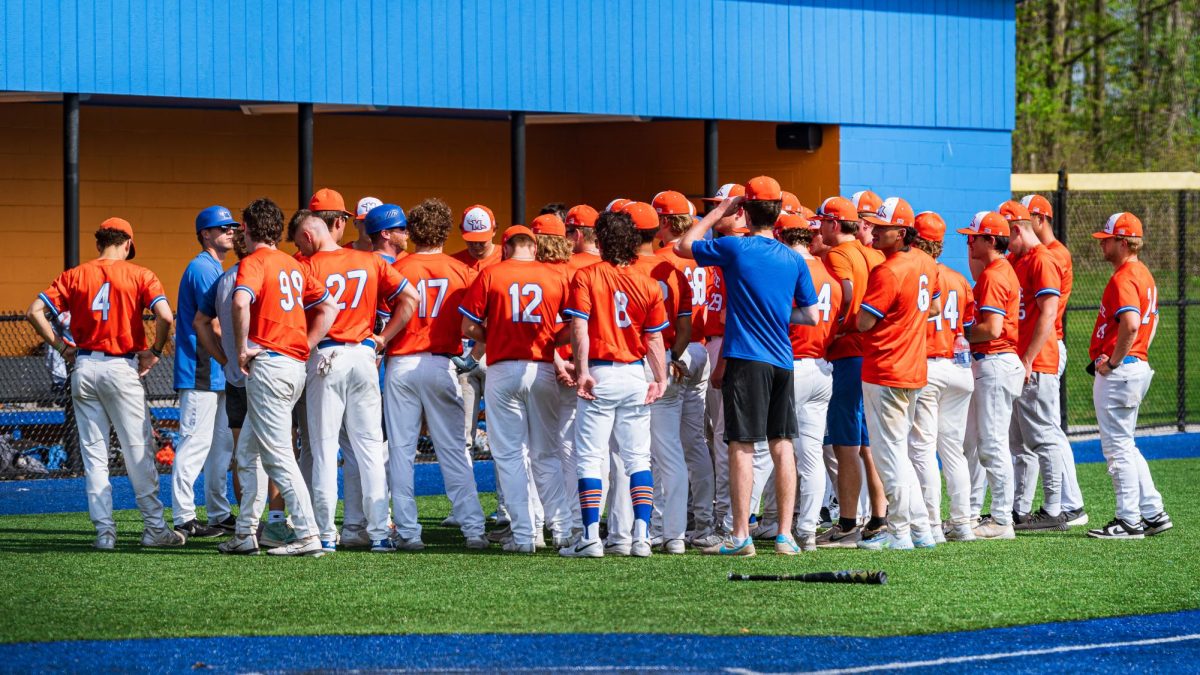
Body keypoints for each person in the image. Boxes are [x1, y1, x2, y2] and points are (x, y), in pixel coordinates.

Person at [676, 175, 819, 557]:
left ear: (746, 210)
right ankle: (785, 536)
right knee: (783, 444)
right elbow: (810, 315)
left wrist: (718, 211)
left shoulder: (736, 248)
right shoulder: (793, 257)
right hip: (782, 359)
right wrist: (774, 312)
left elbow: (682, 245)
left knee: (741, 447)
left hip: (746, 355)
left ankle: (741, 536)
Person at [27, 217, 182, 550]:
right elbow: (167, 317)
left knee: (94, 455)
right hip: (122, 367)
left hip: (83, 365)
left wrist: (61, 346)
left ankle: (104, 533)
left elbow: (34, 311)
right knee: (138, 451)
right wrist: (155, 352)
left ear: (99, 243)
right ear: (127, 243)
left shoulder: (74, 275)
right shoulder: (141, 274)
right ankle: (154, 529)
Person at [291, 207, 418, 553]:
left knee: (323, 449)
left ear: (307, 235)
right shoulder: (371, 261)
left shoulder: (306, 265)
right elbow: (411, 298)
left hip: (326, 355)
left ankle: (326, 534)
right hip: (363, 355)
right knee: (370, 450)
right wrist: (384, 338)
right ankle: (378, 533)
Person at [218, 198, 338, 557]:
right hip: (291, 365)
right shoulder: (293, 264)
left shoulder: (255, 262)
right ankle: (245, 533)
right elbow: (329, 304)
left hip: (269, 364)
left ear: (247, 229)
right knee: (247, 451)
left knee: (277, 456)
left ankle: (307, 533)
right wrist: (306, 342)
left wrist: (241, 349)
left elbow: (241, 301)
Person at [559, 209, 670, 558]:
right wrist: (660, 377)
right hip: (635, 372)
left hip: (603, 372)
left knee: (591, 459)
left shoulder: (587, 275)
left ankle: (591, 536)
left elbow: (579, 327)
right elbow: (653, 338)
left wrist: (582, 369)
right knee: (638, 459)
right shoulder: (648, 282)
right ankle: (641, 536)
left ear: (601, 240)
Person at [459, 221, 574, 553]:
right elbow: (572, 326)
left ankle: (525, 535)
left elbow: (468, 325)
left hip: (503, 367)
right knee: (547, 454)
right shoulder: (554, 276)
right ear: (534, 247)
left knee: (510, 456)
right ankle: (563, 530)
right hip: (541, 368)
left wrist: (492, 335)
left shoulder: (491, 274)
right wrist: (552, 341)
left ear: (506, 247)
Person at [385, 198, 489, 550]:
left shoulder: (398, 266)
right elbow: (477, 322)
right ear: (446, 231)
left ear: (412, 231)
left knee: (400, 450)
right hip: (441, 362)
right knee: (454, 450)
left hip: (400, 362)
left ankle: (409, 533)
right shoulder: (463, 270)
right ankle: (474, 530)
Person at [855, 197, 941, 550]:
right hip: (911, 367)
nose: (873, 230)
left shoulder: (887, 269)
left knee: (890, 457)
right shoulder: (924, 260)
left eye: (881, 227)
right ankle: (920, 530)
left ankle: (900, 531)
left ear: (901, 233)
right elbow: (933, 305)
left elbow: (864, 321)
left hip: (886, 368)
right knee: (899, 455)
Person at [1086, 212, 1172, 539]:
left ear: (1123, 242)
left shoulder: (1125, 277)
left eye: (1107, 239)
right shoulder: (1144, 273)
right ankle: (1152, 511)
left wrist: (1116, 361)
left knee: (1117, 449)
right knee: (1127, 445)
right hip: (1136, 366)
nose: (1103, 244)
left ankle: (1128, 520)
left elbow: (1132, 324)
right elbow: (1153, 322)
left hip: (1122, 370)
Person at [813, 196, 887, 547]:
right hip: (870, 354)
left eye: (823, 222)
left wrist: (839, 327)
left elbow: (845, 292)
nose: (819, 228)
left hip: (848, 354)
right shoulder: (873, 253)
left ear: (832, 223)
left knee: (845, 445)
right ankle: (878, 516)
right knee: (866, 445)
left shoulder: (837, 254)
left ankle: (846, 525)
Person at [623, 200, 691, 554]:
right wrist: (672, 357)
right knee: (670, 452)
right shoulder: (672, 271)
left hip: (631, 364)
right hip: (666, 360)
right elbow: (684, 327)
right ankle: (674, 535)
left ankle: (633, 532)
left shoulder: (623, 270)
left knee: (628, 454)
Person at [907, 211, 977, 542]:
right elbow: (969, 324)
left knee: (922, 449)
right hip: (958, 367)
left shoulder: (916, 274)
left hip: (929, 367)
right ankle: (962, 523)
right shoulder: (960, 279)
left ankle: (932, 525)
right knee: (953, 450)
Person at [1001, 200, 1071, 531]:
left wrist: (1028, 357)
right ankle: (1021, 509)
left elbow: (1049, 313)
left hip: (1037, 361)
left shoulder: (1042, 257)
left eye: (1006, 235)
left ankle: (1054, 510)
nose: (1003, 243)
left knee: (1044, 437)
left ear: (1017, 229)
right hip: (1023, 360)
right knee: (1019, 441)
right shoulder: (1018, 258)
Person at [773, 211, 840, 550]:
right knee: (811, 454)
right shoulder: (829, 271)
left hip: (792, 364)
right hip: (822, 366)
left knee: (766, 449)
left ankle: (753, 524)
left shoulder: (788, 268)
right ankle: (808, 531)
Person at [1019, 193, 1087, 527]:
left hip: (1048, 342)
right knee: (1047, 431)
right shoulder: (1035, 255)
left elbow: (1046, 309)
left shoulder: (1052, 255)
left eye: (1025, 215)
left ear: (1040, 219)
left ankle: (1069, 504)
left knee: (1049, 432)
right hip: (1042, 342)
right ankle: (1068, 504)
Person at [170, 206, 238, 539]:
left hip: (217, 369)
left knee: (221, 447)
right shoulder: (202, 268)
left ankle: (219, 513)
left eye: (232, 226)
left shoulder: (213, 267)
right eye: (222, 227)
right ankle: (183, 517)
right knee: (194, 445)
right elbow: (213, 322)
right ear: (205, 234)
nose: (230, 231)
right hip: (200, 368)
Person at [653, 191, 715, 549]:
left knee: (662, 446)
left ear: (664, 221)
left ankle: (664, 526)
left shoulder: (661, 259)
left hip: (669, 351)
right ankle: (703, 523)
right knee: (695, 444)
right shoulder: (704, 255)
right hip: (701, 349)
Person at [958, 211, 1023, 540]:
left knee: (993, 445)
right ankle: (972, 514)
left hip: (995, 361)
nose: (968, 242)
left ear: (988, 240)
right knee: (976, 442)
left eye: (973, 237)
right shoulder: (996, 271)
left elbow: (992, 328)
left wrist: (959, 334)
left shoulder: (996, 275)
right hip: (993, 362)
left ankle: (1000, 520)